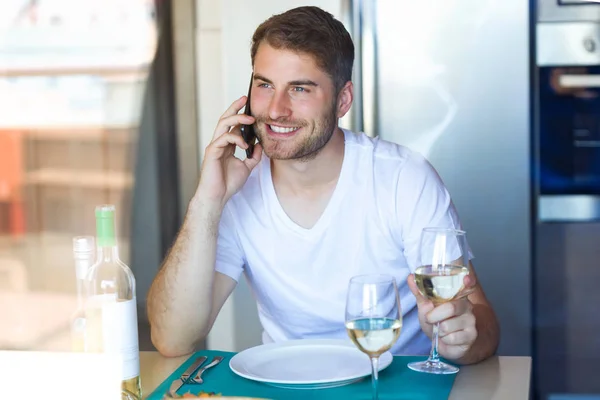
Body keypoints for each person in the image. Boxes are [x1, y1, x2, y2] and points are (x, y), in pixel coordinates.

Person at [147, 6, 499, 364]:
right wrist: (208, 200)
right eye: (265, 85)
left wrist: (462, 338)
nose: (276, 109)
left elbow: (482, 326)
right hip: (288, 386)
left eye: (299, 89)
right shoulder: (237, 188)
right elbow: (172, 338)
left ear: (343, 99)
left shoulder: (403, 179)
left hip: (394, 386)